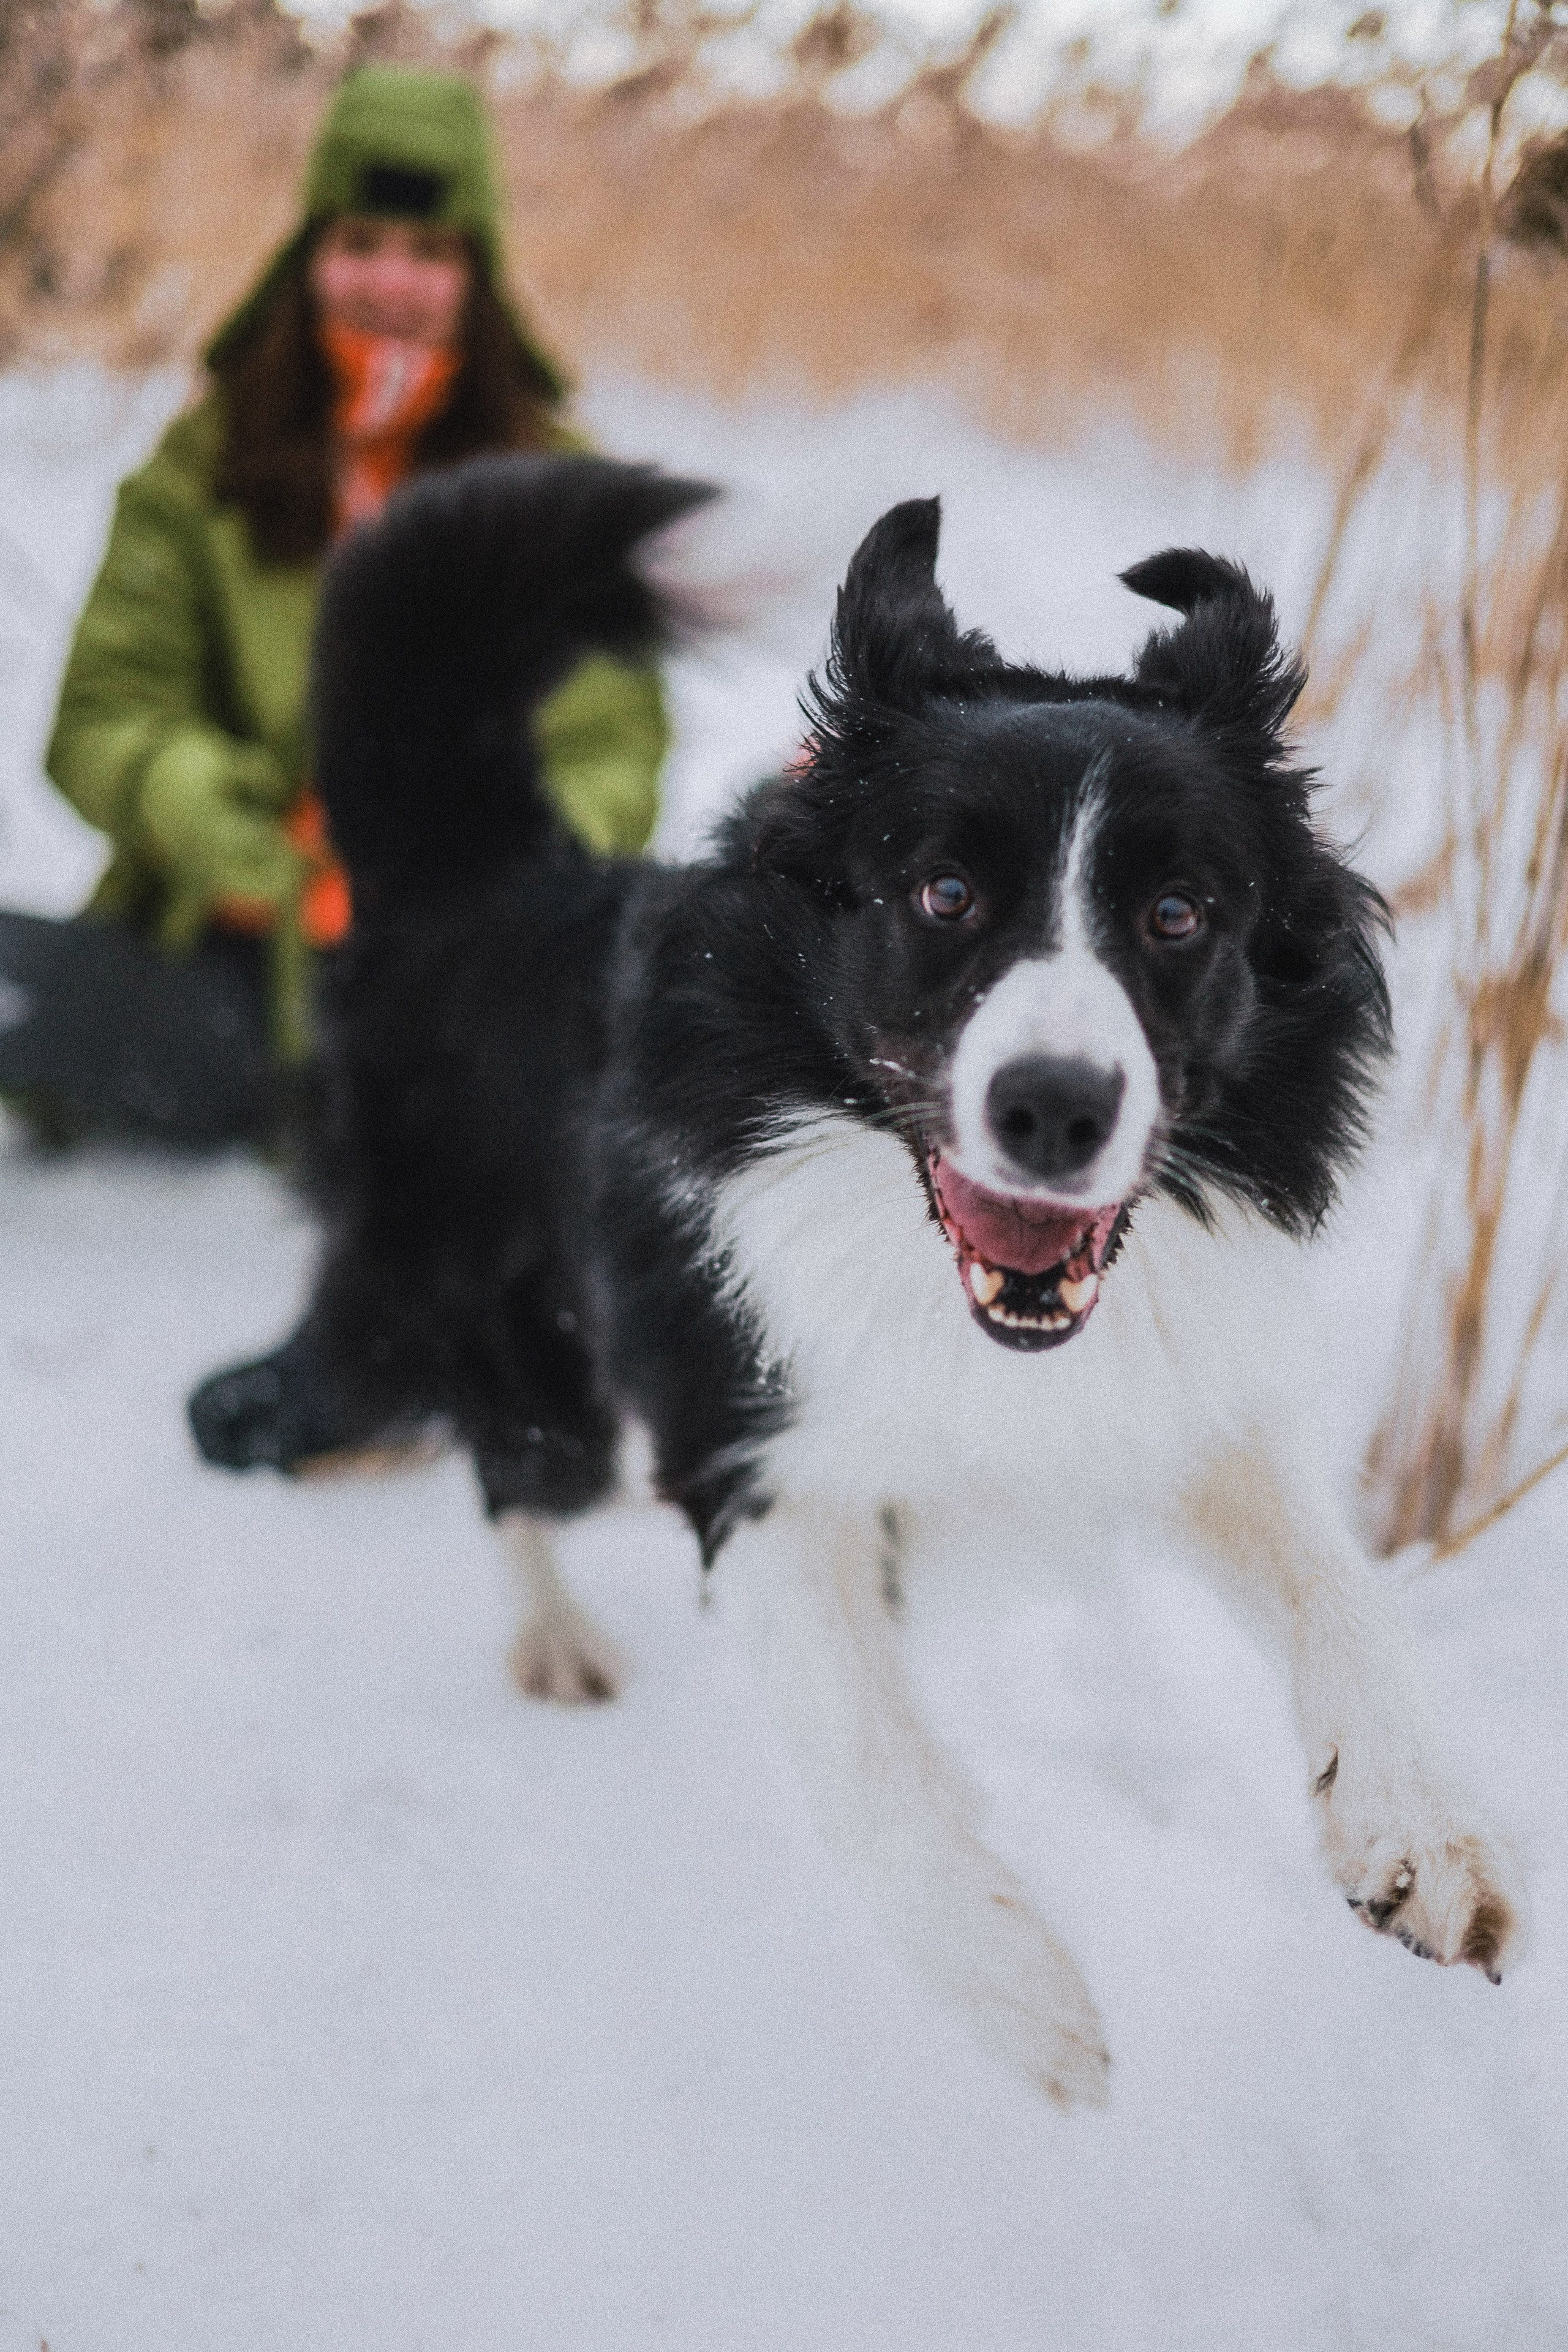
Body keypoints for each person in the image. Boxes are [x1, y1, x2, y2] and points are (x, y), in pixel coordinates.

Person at [2, 65, 668, 1146]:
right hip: (214, 957)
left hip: (455, 986)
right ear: (309, 254)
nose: (388, 281)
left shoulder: (561, 495)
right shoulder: (202, 465)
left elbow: (615, 764)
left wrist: (474, 866)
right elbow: (102, 718)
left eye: (428, 252)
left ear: (478, 272)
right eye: (359, 242)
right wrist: (221, 822)